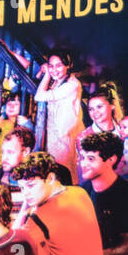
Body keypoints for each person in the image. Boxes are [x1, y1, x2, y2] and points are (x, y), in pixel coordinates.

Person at [11, 151, 104, 255]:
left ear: (51, 178)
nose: (26, 193)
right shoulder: (79, 192)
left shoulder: (40, 218)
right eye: (21, 187)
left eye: (31, 186)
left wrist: (23, 213)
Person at [33, 49, 85, 185]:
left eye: (59, 65)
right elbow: (36, 79)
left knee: (66, 173)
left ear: (68, 65)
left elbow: (39, 96)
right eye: (51, 66)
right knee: (56, 173)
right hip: (55, 134)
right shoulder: (57, 82)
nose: (54, 70)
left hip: (65, 134)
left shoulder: (72, 84)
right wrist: (42, 72)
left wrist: (46, 76)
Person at [0, 124, 34, 203]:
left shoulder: (34, 182)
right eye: (3, 152)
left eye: (10, 152)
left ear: (25, 152)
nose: (4, 158)